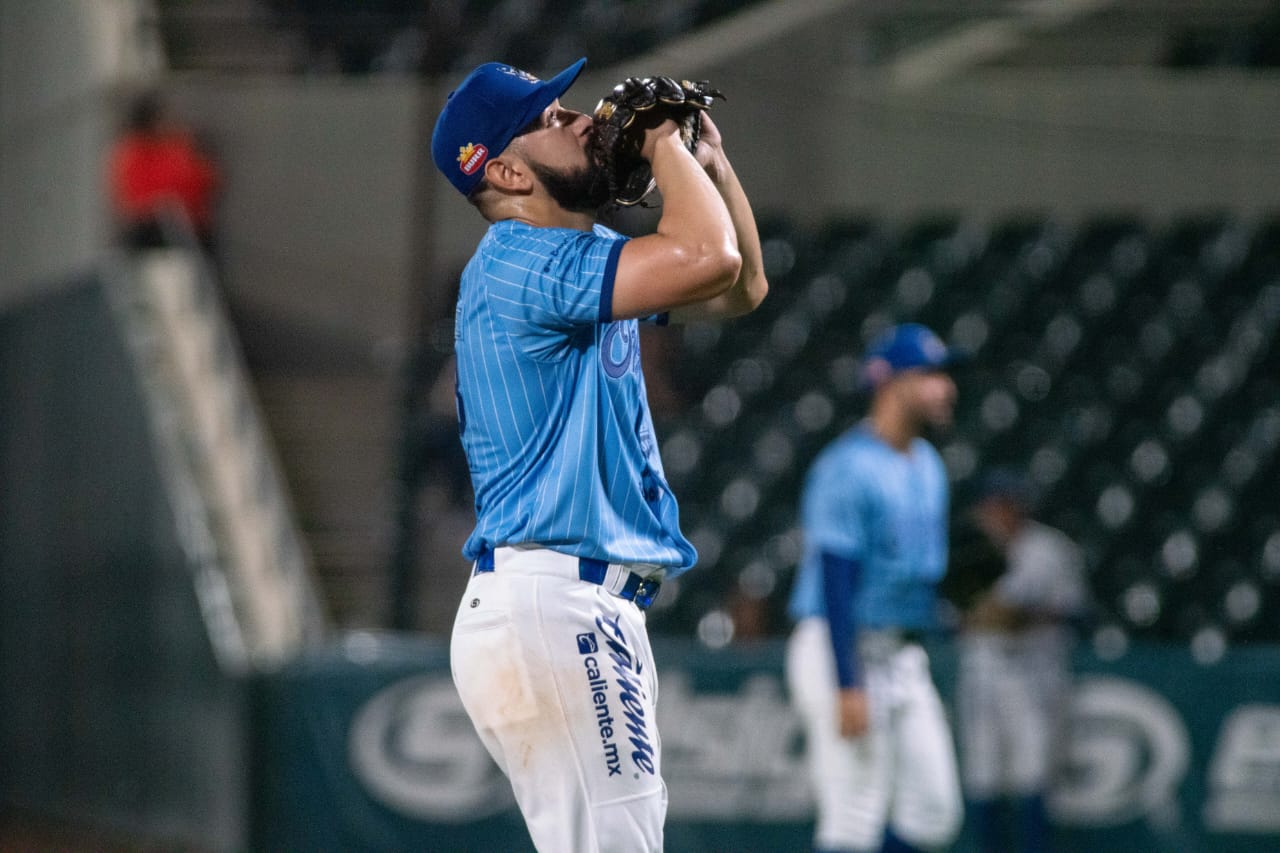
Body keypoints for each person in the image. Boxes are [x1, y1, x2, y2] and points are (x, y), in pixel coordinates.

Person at [430, 58, 767, 851]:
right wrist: (660, 145)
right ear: (507, 170)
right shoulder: (520, 262)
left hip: (573, 606)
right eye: (550, 119)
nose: (581, 118)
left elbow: (741, 288)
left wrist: (709, 164)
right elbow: (708, 259)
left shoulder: (570, 259)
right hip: (556, 602)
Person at [785, 322, 965, 853]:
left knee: (933, 813)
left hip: (902, 652)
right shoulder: (847, 467)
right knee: (852, 816)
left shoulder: (929, 465)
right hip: (843, 646)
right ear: (889, 383)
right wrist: (848, 684)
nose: (946, 387)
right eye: (930, 374)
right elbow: (835, 581)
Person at [954, 469, 1088, 853]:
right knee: (983, 774)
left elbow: (1076, 611)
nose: (1000, 511)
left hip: (1038, 676)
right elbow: (957, 617)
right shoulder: (968, 548)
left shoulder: (1049, 548)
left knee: (1035, 775)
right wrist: (1000, 615)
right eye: (993, 504)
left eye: (1007, 503)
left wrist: (1017, 616)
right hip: (983, 676)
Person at [106, 91, 220, 257]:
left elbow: (205, 179)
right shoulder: (132, 152)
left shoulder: (179, 144)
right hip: (152, 232)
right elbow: (133, 198)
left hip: (190, 229)